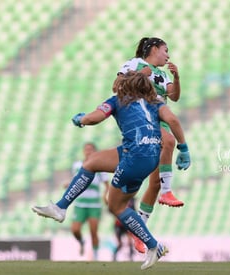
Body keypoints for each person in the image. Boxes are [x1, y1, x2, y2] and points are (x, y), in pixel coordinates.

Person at [32, 71, 190, 270]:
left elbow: (93, 118)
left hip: (134, 158)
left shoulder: (118, 100)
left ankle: (153, 245)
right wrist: (183, 147)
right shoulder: (156, 102)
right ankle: (60, 207)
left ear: (127, 85)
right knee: (91, 162)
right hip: (149, 156)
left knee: (116, 206)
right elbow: (173, 121)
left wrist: (80, 119)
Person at [114, 37, 183, 253]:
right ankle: (167, 191)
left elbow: (175, 96)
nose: (168, 55)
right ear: (154, 49)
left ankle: (139, 231)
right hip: (142, 120)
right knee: (170, 140)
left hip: (158, 122)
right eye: (165, 50)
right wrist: (138, 76)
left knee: (153, 184)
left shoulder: (161, 75)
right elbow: (117, 86)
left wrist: (177, 77)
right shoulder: (134, 64)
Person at [67, 142, 109, 260]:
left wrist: (106, 195)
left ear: (95, 151)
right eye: (86, 149)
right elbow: (75, 179)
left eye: (91, 149)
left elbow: (107, 185)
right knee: (75, 229)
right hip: (80, 204)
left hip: (94, 205)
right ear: (83, 151)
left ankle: (95, 257)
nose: (88, 151)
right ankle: (81, 242)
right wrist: (68, 184)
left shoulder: (101, 166)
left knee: (93, 231)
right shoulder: (77, 165)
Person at [113, 197, 136, 261]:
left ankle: (131, 258)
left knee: (130, 242)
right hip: (118, 225)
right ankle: (114, 256)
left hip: (127, 224)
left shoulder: (132, 200)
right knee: (120, 244)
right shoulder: (118, 199)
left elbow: (134, 211)